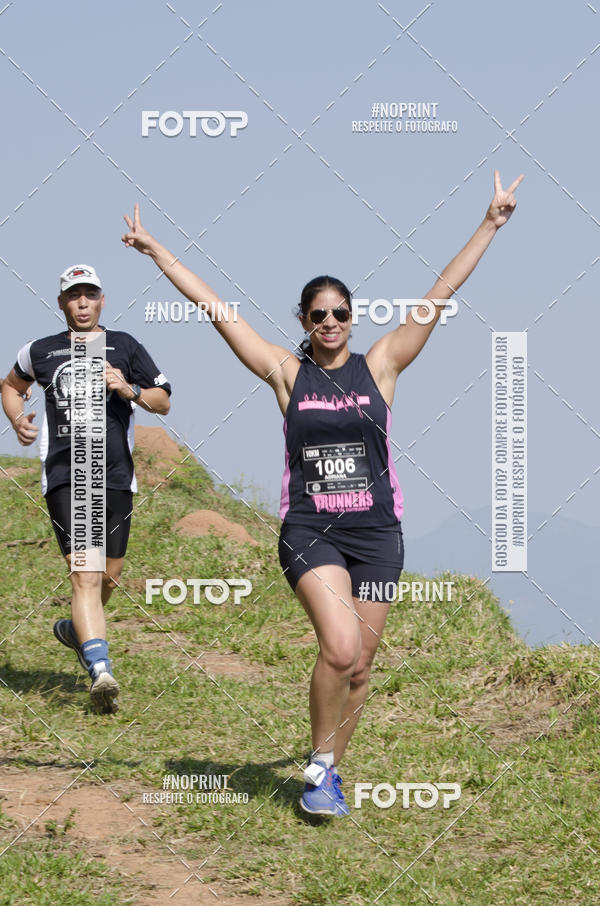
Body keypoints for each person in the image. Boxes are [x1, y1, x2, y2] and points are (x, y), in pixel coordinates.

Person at [121, 169, 522, 813]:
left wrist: (490, 224)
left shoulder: (381, 365)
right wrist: (158, 251)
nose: (330, 321)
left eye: (339, 313)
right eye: (318, 314)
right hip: (312, 530)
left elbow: (438, 296)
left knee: (360, 665)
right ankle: (318, 769)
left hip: (379, 535)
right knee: (338, 648)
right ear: (304, 321)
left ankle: (328, 769)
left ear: (352, 318)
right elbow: (217, 310)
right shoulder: (287, 373)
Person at [1, 264, 171, 713]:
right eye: (73, 295)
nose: (82, 303)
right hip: (67, 475)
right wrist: (16, 418)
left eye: (90, 294)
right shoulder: (39, 350)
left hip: (115, 476)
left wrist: (129, 389)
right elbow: (11, 386)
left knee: (108, 577)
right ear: (61, 302)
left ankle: (77, 632)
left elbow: (164, 400)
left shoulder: (125, 345)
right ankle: (101, 671)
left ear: (101, 300)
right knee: (86, 575)